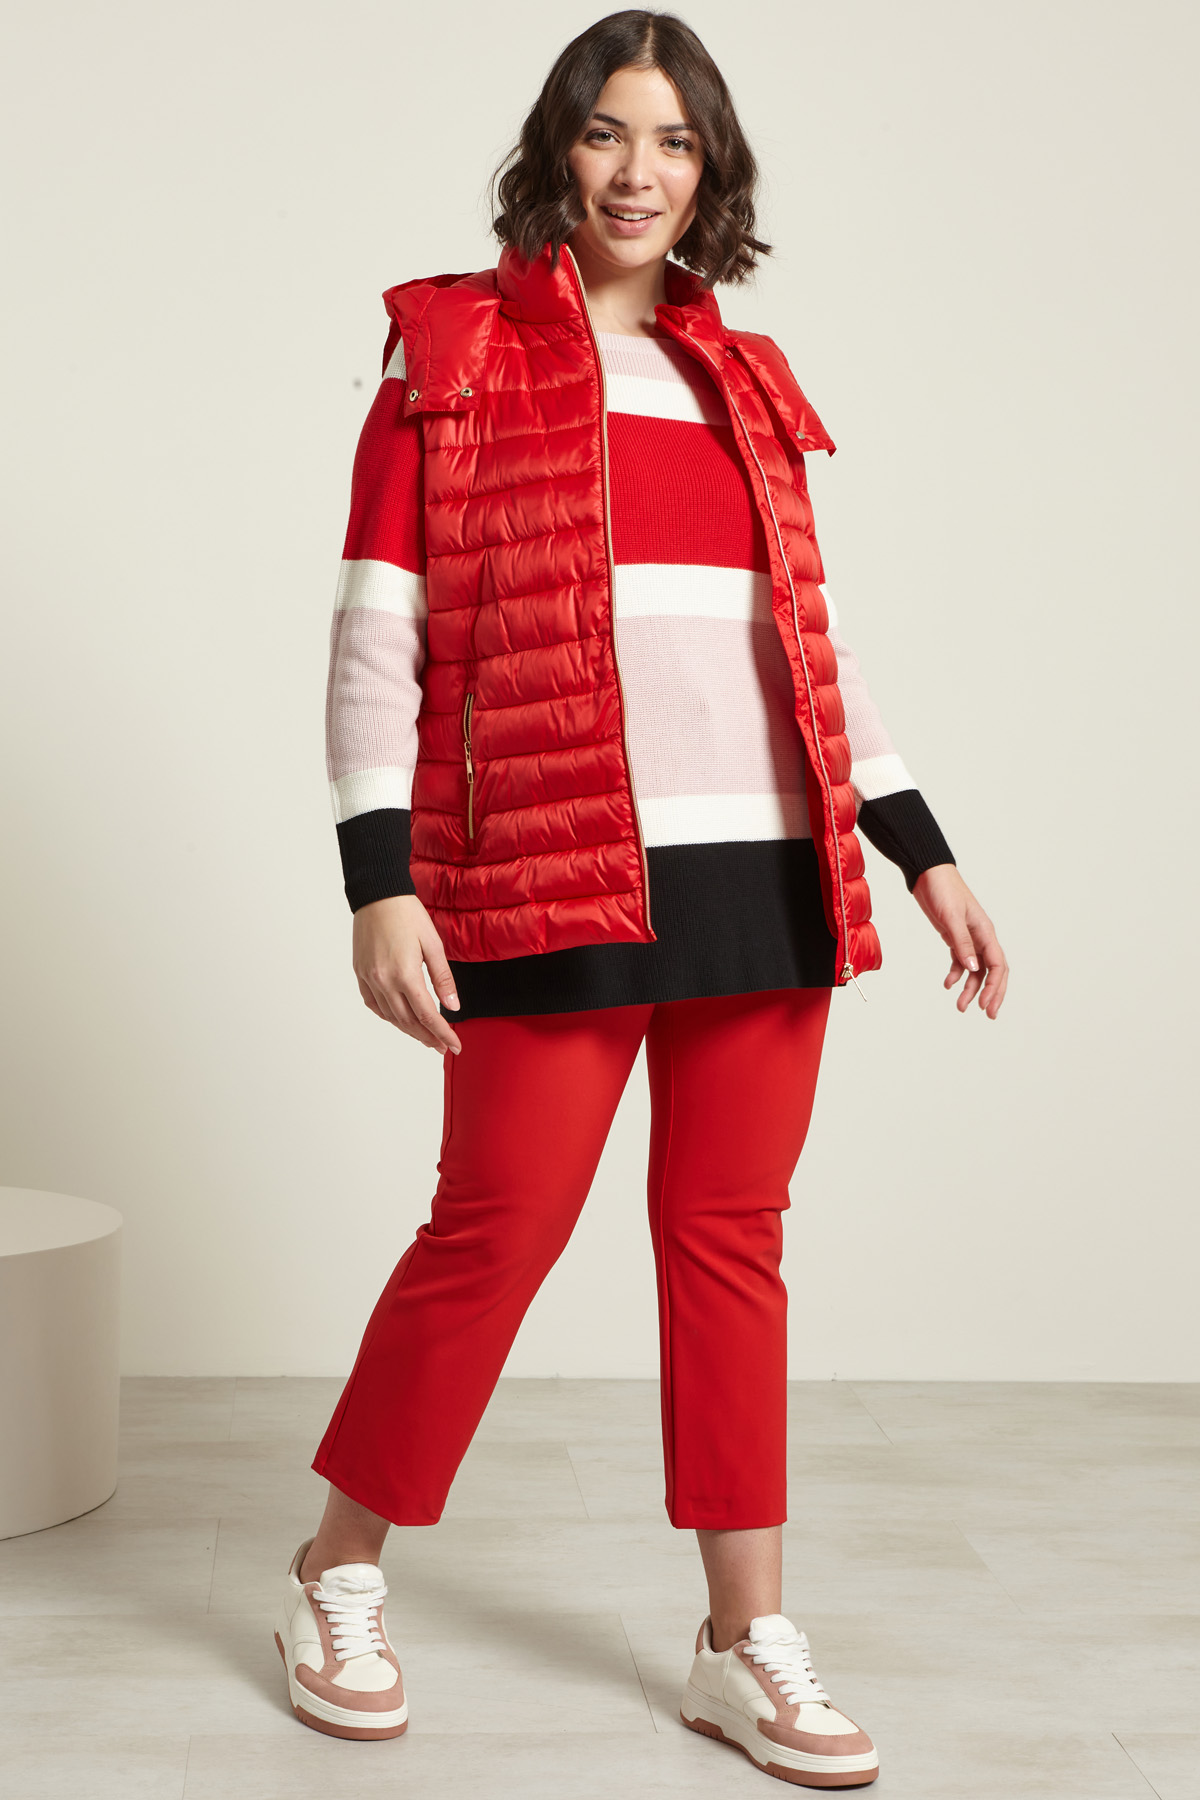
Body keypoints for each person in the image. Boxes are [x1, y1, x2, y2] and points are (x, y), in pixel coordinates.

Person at [274, 10, 1008, 1786]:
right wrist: (380, 883)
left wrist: (923, 850)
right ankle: (334, 1570)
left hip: (761, 870)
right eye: (609, 132)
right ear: (559, 148)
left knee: (731, 1244)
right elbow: (378, 640)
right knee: (496, 1229)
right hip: (547, 865)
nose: (638, 171)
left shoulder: (742, 379)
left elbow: (809, 650)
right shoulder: (449, 355)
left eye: (675, 142)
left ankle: (740, 1641)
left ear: (710, 172)